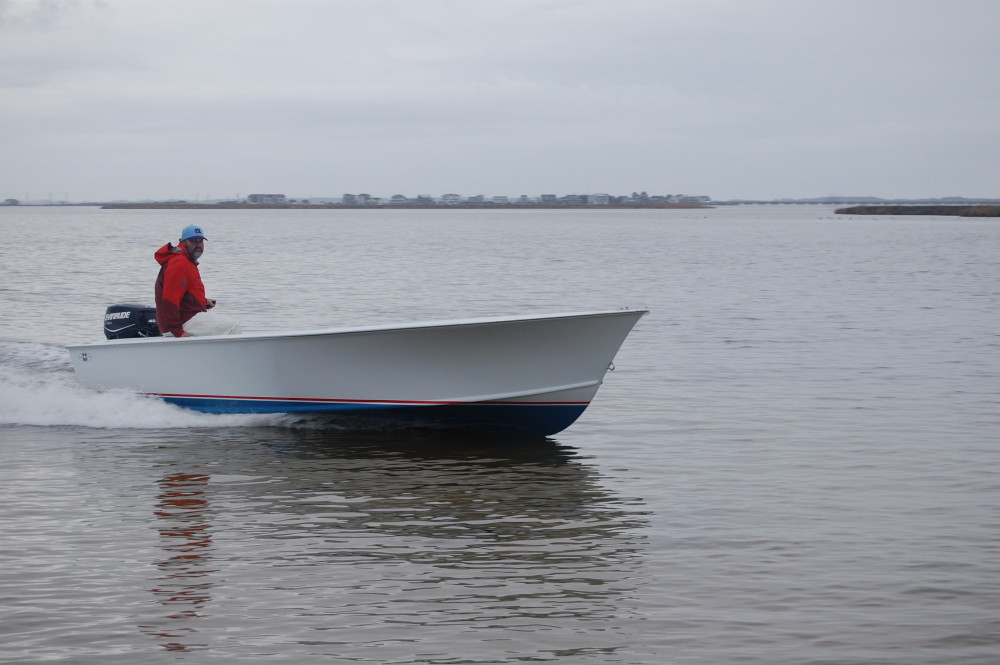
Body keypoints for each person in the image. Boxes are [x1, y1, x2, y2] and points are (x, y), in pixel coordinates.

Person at [154, 224, 242, 337]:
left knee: (223, 325)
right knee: (233, 326)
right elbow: (169, 299)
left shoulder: (186, 261)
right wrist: (177, 331)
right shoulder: (180, 263)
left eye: (201, 241)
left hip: (184, 319)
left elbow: (184, 294)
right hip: (180, 323)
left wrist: (203, 302)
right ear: (183, 242)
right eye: (194, 241)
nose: (198, 245)